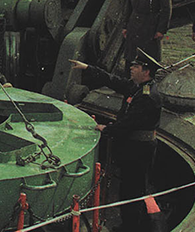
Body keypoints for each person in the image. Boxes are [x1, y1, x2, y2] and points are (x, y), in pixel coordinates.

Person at [69, 54, 162, 231]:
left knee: (133, 191)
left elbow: (129, 123)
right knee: (129, 188)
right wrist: (87, 67)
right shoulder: (137, 87)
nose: (131, 68)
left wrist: (107, 129)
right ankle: (129, 223)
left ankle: (132, 227)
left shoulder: (147, 97)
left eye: (136, 67)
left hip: (139, 150)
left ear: (146, 71)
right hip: (133, 148)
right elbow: (113, 80)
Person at [123, 0, 171, 64]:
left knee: (149, 58)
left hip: (150, 26)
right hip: (134, 25)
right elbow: (128, 7)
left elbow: (166, 9)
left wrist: (161, 30)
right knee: (131, 57)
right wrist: (125, 26)